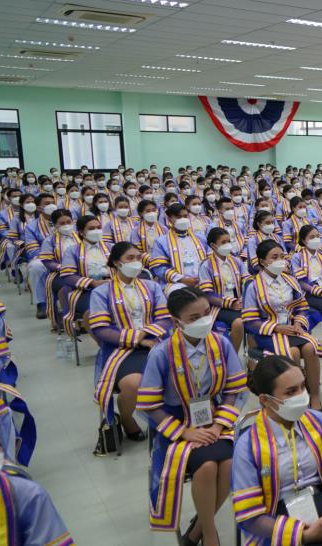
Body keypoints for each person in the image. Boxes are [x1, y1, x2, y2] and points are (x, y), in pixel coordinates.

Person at [137, 287, 247, 545]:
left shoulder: (220, 343)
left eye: (207, 313)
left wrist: (219, 426)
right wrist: (184, 432)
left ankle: (196, 530)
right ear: (177, 322)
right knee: (207, 467)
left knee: (229, 465)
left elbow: (234, 389)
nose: (204, 321)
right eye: (194, 318)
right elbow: (149, 405)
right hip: (175, 423)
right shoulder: (161, 353)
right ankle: (208, 532)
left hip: (214, 416)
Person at [232, 355, 322, 546]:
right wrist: (303, 536)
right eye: (291, 391)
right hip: (276, 522)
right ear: (266, 400)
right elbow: (251, 518)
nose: (302, 395)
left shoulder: (318, 422)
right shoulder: (247, 446)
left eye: (303, 386)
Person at [89, 241, 171, 442]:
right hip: (120, 350)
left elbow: (165, 318)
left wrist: (147, 335)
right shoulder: (102, 292)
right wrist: (138, 339)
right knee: (134, 384)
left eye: (138, 257)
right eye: (130, 258)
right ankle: (126, 418)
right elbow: (101, 329)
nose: (136, 262)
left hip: (155, 343)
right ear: (117, 262)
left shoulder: (152, 286)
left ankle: (173, 419)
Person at [243, 240, 322, 410]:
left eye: (282, 256)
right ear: (263, 261)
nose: (280, 260)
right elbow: (250, 321)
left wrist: (299, 323)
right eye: (274, 257)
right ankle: (295, 394)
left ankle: (314, 396)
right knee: (293, 352)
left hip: (292, 328)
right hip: (268, 332)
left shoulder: (290, 280)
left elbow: (302, 308)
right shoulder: (254, 286)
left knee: (311, 348)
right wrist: (277, 328)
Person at [59, 214, 111, 338]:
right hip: (86, 290)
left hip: (112, 286)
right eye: (91, 228)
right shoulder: (72, 251)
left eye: (98, 227)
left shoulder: (111, 247)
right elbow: (68, 276)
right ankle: (105, 341)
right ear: (81, 232)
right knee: (99, 310)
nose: (96, 231)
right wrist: (93, 283)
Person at [198, 227, 247, 352]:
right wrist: (230, 303)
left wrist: (243, 299)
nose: (228, 245)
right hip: (218, 306)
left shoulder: (236, 261)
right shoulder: (206, 265)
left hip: (239, 302)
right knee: (239, 322)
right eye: (223, 242)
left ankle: (252, 358)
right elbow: (207, 294)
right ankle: (232, 355)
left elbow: (247, 282)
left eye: (229, 241)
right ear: (213, 246)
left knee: (256, 317)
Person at [150, 203, 208, 295]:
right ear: (170, 219)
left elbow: (209, 260)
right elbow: (159, 267)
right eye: (178, 217)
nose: (183, 219)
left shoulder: (200, 238)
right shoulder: (161, 241)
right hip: (176, 282)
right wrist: (182, 279)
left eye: (185, 216)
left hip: (202, 279)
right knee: (181, 295)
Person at [292, 225, 322, 315]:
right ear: (303, 240)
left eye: (317, 236)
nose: (316, 239)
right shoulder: (297, 257)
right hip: (309, 294)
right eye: (312, 237)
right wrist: (320, 292)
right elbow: (300, 282)